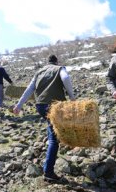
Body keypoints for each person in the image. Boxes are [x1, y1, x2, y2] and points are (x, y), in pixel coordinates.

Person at [13, 55, 75, 183]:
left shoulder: (39, 72)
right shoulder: (59, 68)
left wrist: (19, 105)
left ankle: (49, 162)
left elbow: (29, 89)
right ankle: (49, 172)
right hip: (55, 106)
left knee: (51, 126)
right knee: (54, 140)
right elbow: (66, 78)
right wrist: (73, 98)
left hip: (40, 106)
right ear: (56, 61)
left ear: (47, 62)